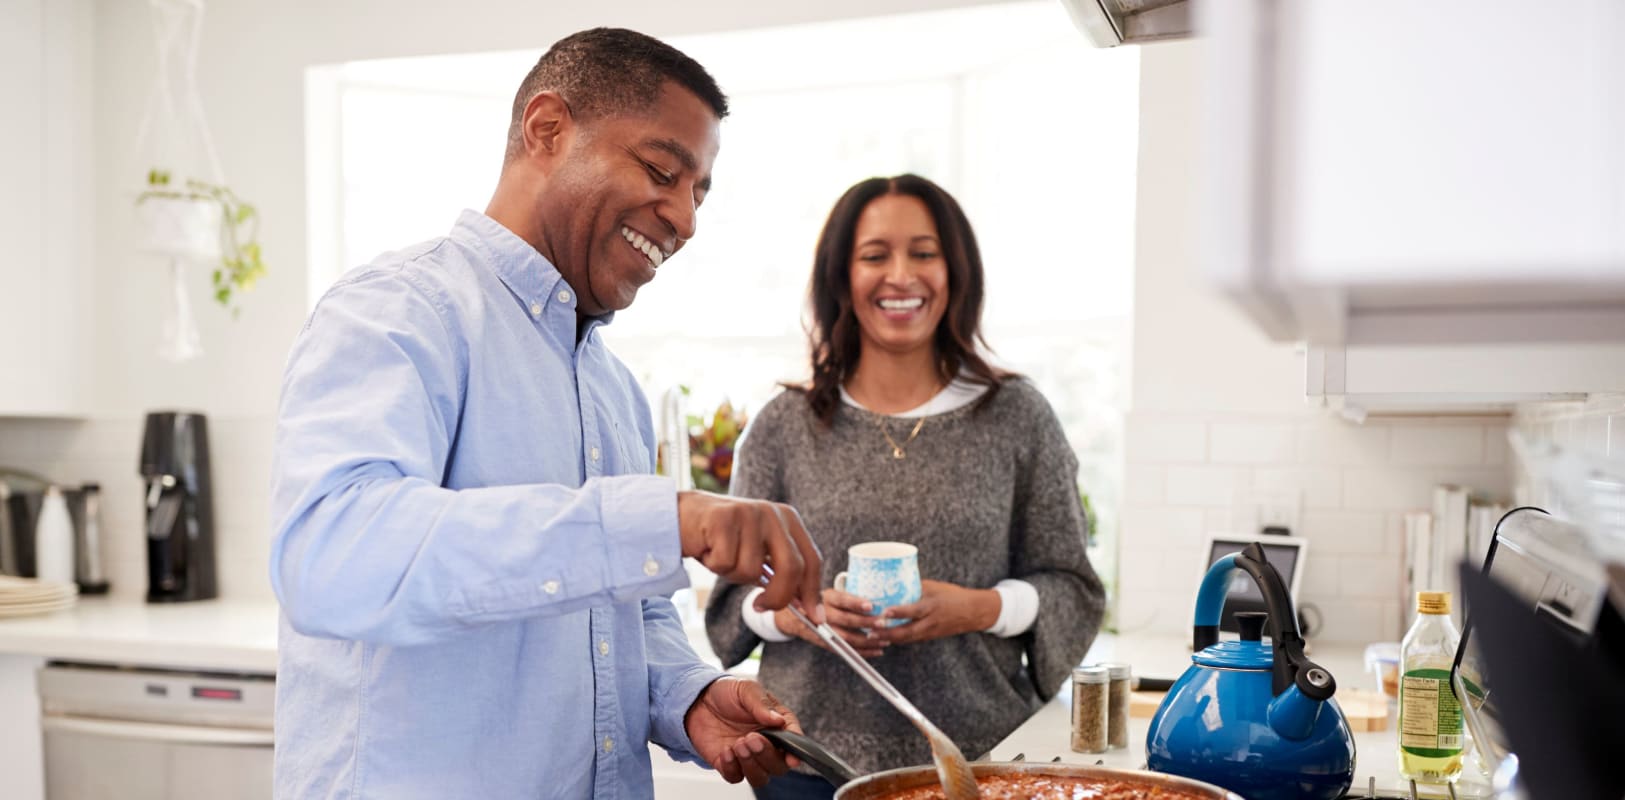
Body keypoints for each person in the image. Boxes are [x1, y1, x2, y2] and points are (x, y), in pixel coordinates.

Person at [269, 28, 825, 799]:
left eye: (698, 193)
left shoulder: (612, 387)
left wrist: (687, 696)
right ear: (547, 130)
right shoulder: (397, 311)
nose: (686, 219)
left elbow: (625, 616)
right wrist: (661, 520)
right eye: (664, 171)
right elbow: (333, 557)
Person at [705, 174, 1106, 799]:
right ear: (842, 276)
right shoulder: (783, 426)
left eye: (924, 252)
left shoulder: (1017, 417)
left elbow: (1072, 588)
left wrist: (977, 608)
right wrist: (797, 615)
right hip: (808, 765)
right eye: (874, 255)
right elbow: (731, 604)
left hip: (981, 766)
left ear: (956, 272)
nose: (901, 275)